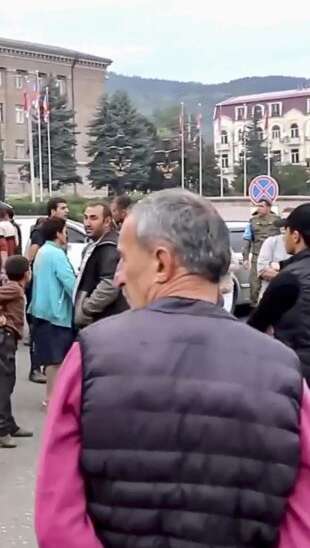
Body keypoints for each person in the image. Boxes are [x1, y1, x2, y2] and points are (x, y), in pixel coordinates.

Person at [35, 189, 310, 548]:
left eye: (123, 258)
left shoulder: (90, 355)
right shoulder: (284, 371)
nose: (118, 277)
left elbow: (58, 522)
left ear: (162, 263)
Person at [249, 204, 310, 382]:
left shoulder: (290, 278)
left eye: (286, 231)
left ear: (296, 236)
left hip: (298, 373)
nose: (284, 236)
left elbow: (256, 326)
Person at [0, 255, 34, 448]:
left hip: (8, 338)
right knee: (6, 382)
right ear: (27, 274)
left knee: (8, 380)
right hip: (5, 337)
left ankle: (9, 423)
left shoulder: (16, 288)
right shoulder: (14, 288)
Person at [29, 217, 76, 406]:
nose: (66, 235)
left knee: (50, 359)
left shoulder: (43, 251)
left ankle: (51, 397)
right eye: (65, 231)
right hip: (56, 313)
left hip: (41, 310)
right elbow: (69, 282)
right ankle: (55, 399)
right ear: (58, 233)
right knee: (57, 360)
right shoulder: (56, 254)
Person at [25, 196, 69, 384]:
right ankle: (35, 369)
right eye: (63, 207)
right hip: (49, 303)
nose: (66, 210)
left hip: (46, 301)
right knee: (48, 346)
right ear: (52, 211)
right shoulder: (43, 235)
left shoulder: (52, 246)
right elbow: (31, 256)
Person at [73, 202, 127, 328]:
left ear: (107, 221)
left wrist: (86, 308)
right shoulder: (95, 245)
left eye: (93, 218)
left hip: (104, 320)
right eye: (85, 217)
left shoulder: (109, 247)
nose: (87, 223)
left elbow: (109, 284)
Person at [243, 199, 280, 306]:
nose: (259, 208)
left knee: (274, 285)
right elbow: (247, 240)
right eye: (257, 206)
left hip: (273, 259)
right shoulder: (252, 222)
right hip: (257, 257)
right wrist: (245, 258)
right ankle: (255, 310)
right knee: (254, 287)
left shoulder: (277, 221)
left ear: (269, 207)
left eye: (261, 206)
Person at [257, 207, 292, 298]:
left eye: (287, 223)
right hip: (271, 297)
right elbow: (263, 271)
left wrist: (278, 269)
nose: (284, 227)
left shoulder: (303, 244)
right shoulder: (271, 242)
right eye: (282, 222)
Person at [0, 204, 19, 270]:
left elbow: (3, 246)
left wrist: (3, 266)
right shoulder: (13, 227)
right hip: (12, 262)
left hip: (1, 263)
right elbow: (16, 245)